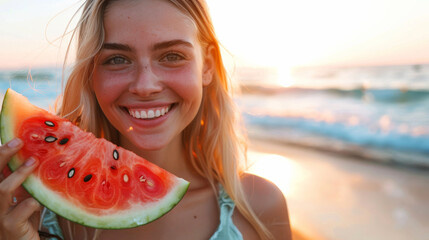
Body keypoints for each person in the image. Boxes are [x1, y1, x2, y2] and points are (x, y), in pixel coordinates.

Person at [0, 0, 292, 239]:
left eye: (172, 56)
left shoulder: (259, 207)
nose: (145, 85)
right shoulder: (32, 211)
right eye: (116, 59)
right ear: (91, 74)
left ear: (208, 66)